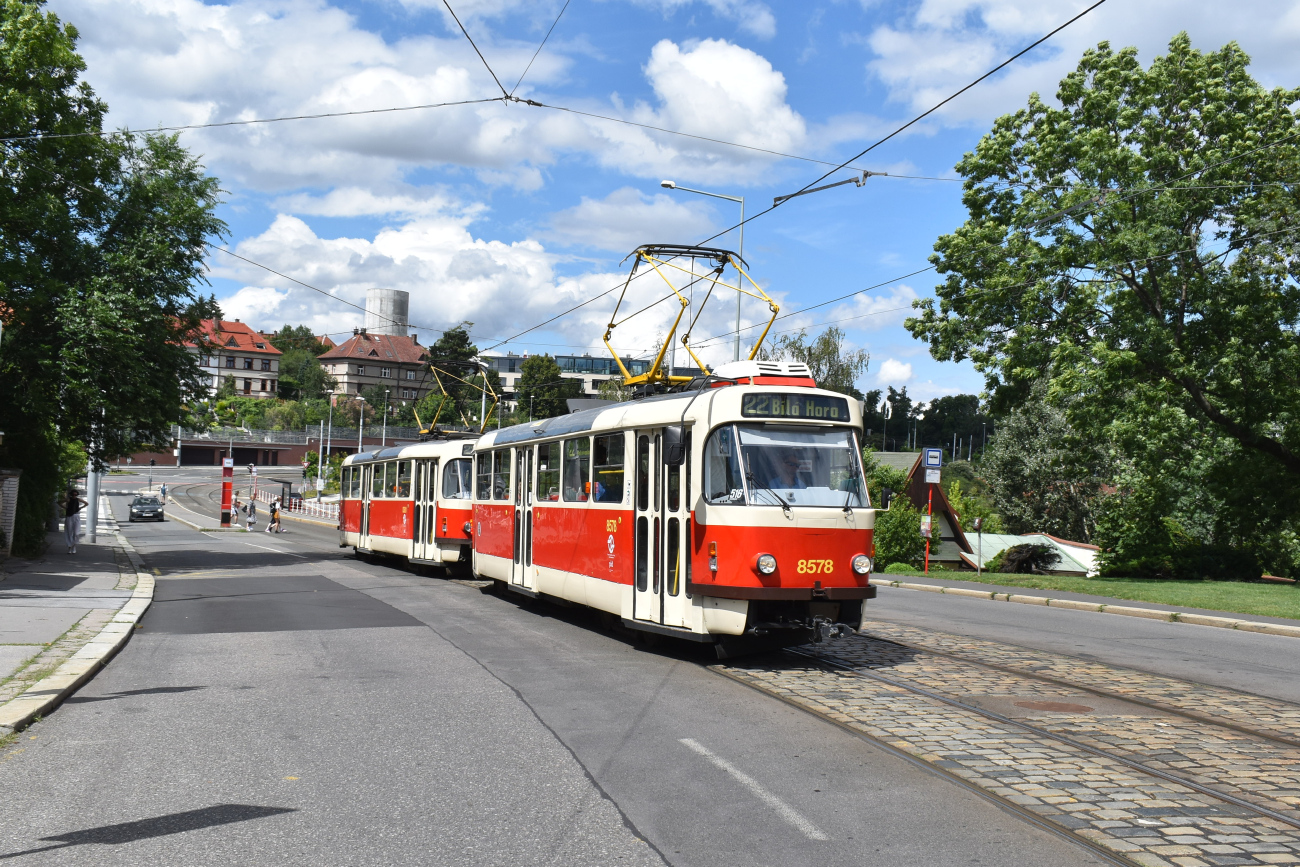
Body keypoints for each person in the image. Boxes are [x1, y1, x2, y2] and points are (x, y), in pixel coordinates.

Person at [64, 488, 87, 554]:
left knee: (76, 532)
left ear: (77, 495)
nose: (74, 496)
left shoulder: (78, 500)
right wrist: (65, 508)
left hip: (76, 515)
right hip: (69, 516)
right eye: (73, 495)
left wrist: (80, 508)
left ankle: (73, 546)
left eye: (75, 494)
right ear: (71, 495)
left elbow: (86, 503)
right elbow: (59, 502)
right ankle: (69, 547)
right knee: (69, 532)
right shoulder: (68, 499)